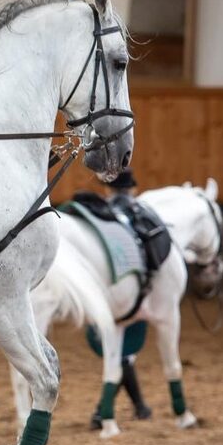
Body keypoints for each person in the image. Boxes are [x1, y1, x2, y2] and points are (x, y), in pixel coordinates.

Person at [86, 169, 152, 428]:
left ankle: (137, 406)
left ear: (107, 189)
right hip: (134, 289)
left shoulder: (99, 217)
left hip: (102, 289)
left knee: (120, 354)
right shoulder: (137, 215)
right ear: (132, 190)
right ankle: (103, 412)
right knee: (122, 354)